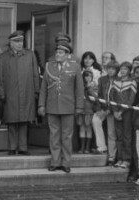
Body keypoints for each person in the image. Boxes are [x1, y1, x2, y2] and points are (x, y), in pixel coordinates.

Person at [38, 42, 84, 173]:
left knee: (67, 136)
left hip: (68, 106)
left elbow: (79, 89)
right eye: (57, 52)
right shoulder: (49, 66)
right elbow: (43, 89)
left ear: (67, 55)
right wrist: (41, 104)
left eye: (61, 53)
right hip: (52, 106)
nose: (57, 55)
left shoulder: (75, 67)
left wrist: (79, 107)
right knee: (54, 136)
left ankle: (66, 162)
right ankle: (55, 161)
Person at [0, 31, 39, 155]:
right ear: (11, 43)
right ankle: (12, 147)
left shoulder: (30, 55)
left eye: (21, 41)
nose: (20, 44)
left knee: (24, 121)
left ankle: (23, 148)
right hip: (10, 94)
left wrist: (36, 90)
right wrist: (1, 93)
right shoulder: (3, 57)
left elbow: (35, 74)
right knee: (12, 121)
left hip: (27, 92)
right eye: (17, 41)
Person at [110, 61, 137, 169]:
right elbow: (111, 97)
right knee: (118, 136)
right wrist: (115, 111)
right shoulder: (115, 81)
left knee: (127, 136)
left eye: (125, 69)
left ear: (129, 70)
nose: (122, 70)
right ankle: (120, 158)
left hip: (127, 112)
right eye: (121, 68)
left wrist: (121, 111)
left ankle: (127, 159)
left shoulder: (132, 82)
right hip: (116, 112)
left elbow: (131, 100)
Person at [91, 60, 119, 162]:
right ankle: (101, 147)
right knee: (95, 120)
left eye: (113, 69)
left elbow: (117, 98)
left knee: (111, 133)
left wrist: (109, 111)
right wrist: (99, 109)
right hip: (102, 108)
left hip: (112, 110)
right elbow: (98, 95)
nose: (110, 71)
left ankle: (112, 156)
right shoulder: (102, 79)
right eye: (109, 69)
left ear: (117, 70)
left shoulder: (119, 80)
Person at [77, 70, 97, 154]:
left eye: (89, 76)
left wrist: (89, 88)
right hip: (81, 110)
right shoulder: (80, 86)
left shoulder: (94, 86)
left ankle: (87, 147)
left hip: (89, 110)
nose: (88, 78)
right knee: (82, 128)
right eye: (86, 76)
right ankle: (81, 147)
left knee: (88, 128)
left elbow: (95, 96)